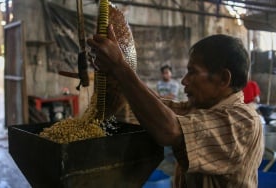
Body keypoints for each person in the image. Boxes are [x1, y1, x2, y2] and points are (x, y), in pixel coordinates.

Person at [88, 25, 264, 188]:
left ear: (223, 79)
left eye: (193, 72)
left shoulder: (244, 120)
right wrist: (115, 74)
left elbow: (170, 130)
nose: (184, 80)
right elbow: (158, 107)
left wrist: (120, 67)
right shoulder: (203, 109)